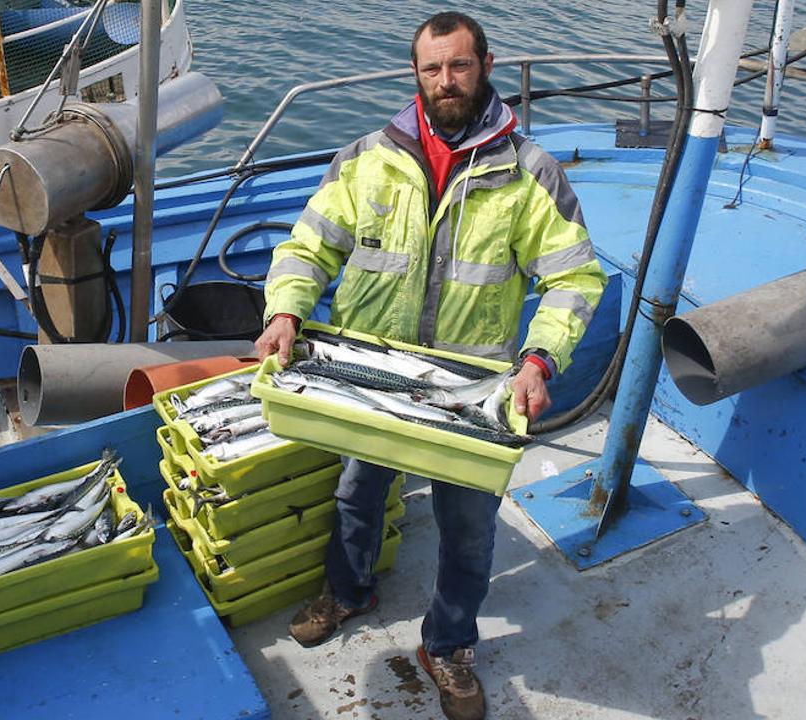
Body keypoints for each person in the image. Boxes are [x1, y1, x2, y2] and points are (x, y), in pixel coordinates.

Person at [253, 11, 607, 720]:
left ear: (485, 65)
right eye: (431, 68)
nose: (446, 80)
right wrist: (285, 310)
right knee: (356, 495)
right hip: (368, 374)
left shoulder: (530, 171)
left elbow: (572, 279)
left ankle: (446, 645)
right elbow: (308, 244)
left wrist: (538, 360)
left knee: (468, 531)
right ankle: (349, 592)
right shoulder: (366, 157)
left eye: (459, 65)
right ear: (413, 74)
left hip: (470, 387)